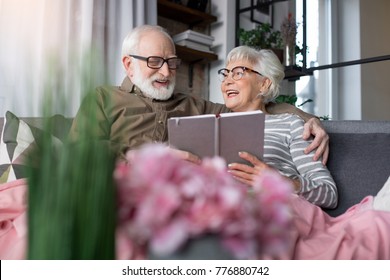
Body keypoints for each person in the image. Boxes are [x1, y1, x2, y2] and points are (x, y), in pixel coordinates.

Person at [220, 45, 390, 259]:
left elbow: (328, 193)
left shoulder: (290, 124)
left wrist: (280, 181)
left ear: (264, 83)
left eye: (238, 73)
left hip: (271, 210)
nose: (227, 81)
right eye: (225, 74)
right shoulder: (210, 127)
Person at [69, 25, 329, 163]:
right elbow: (80, 151)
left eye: (171, 62)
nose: (165, 71)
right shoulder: (103, 98)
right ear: (128, 64)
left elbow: (253, 105)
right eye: (154, 61)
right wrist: (145, 159)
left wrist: (309, 118)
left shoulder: (194, 105)